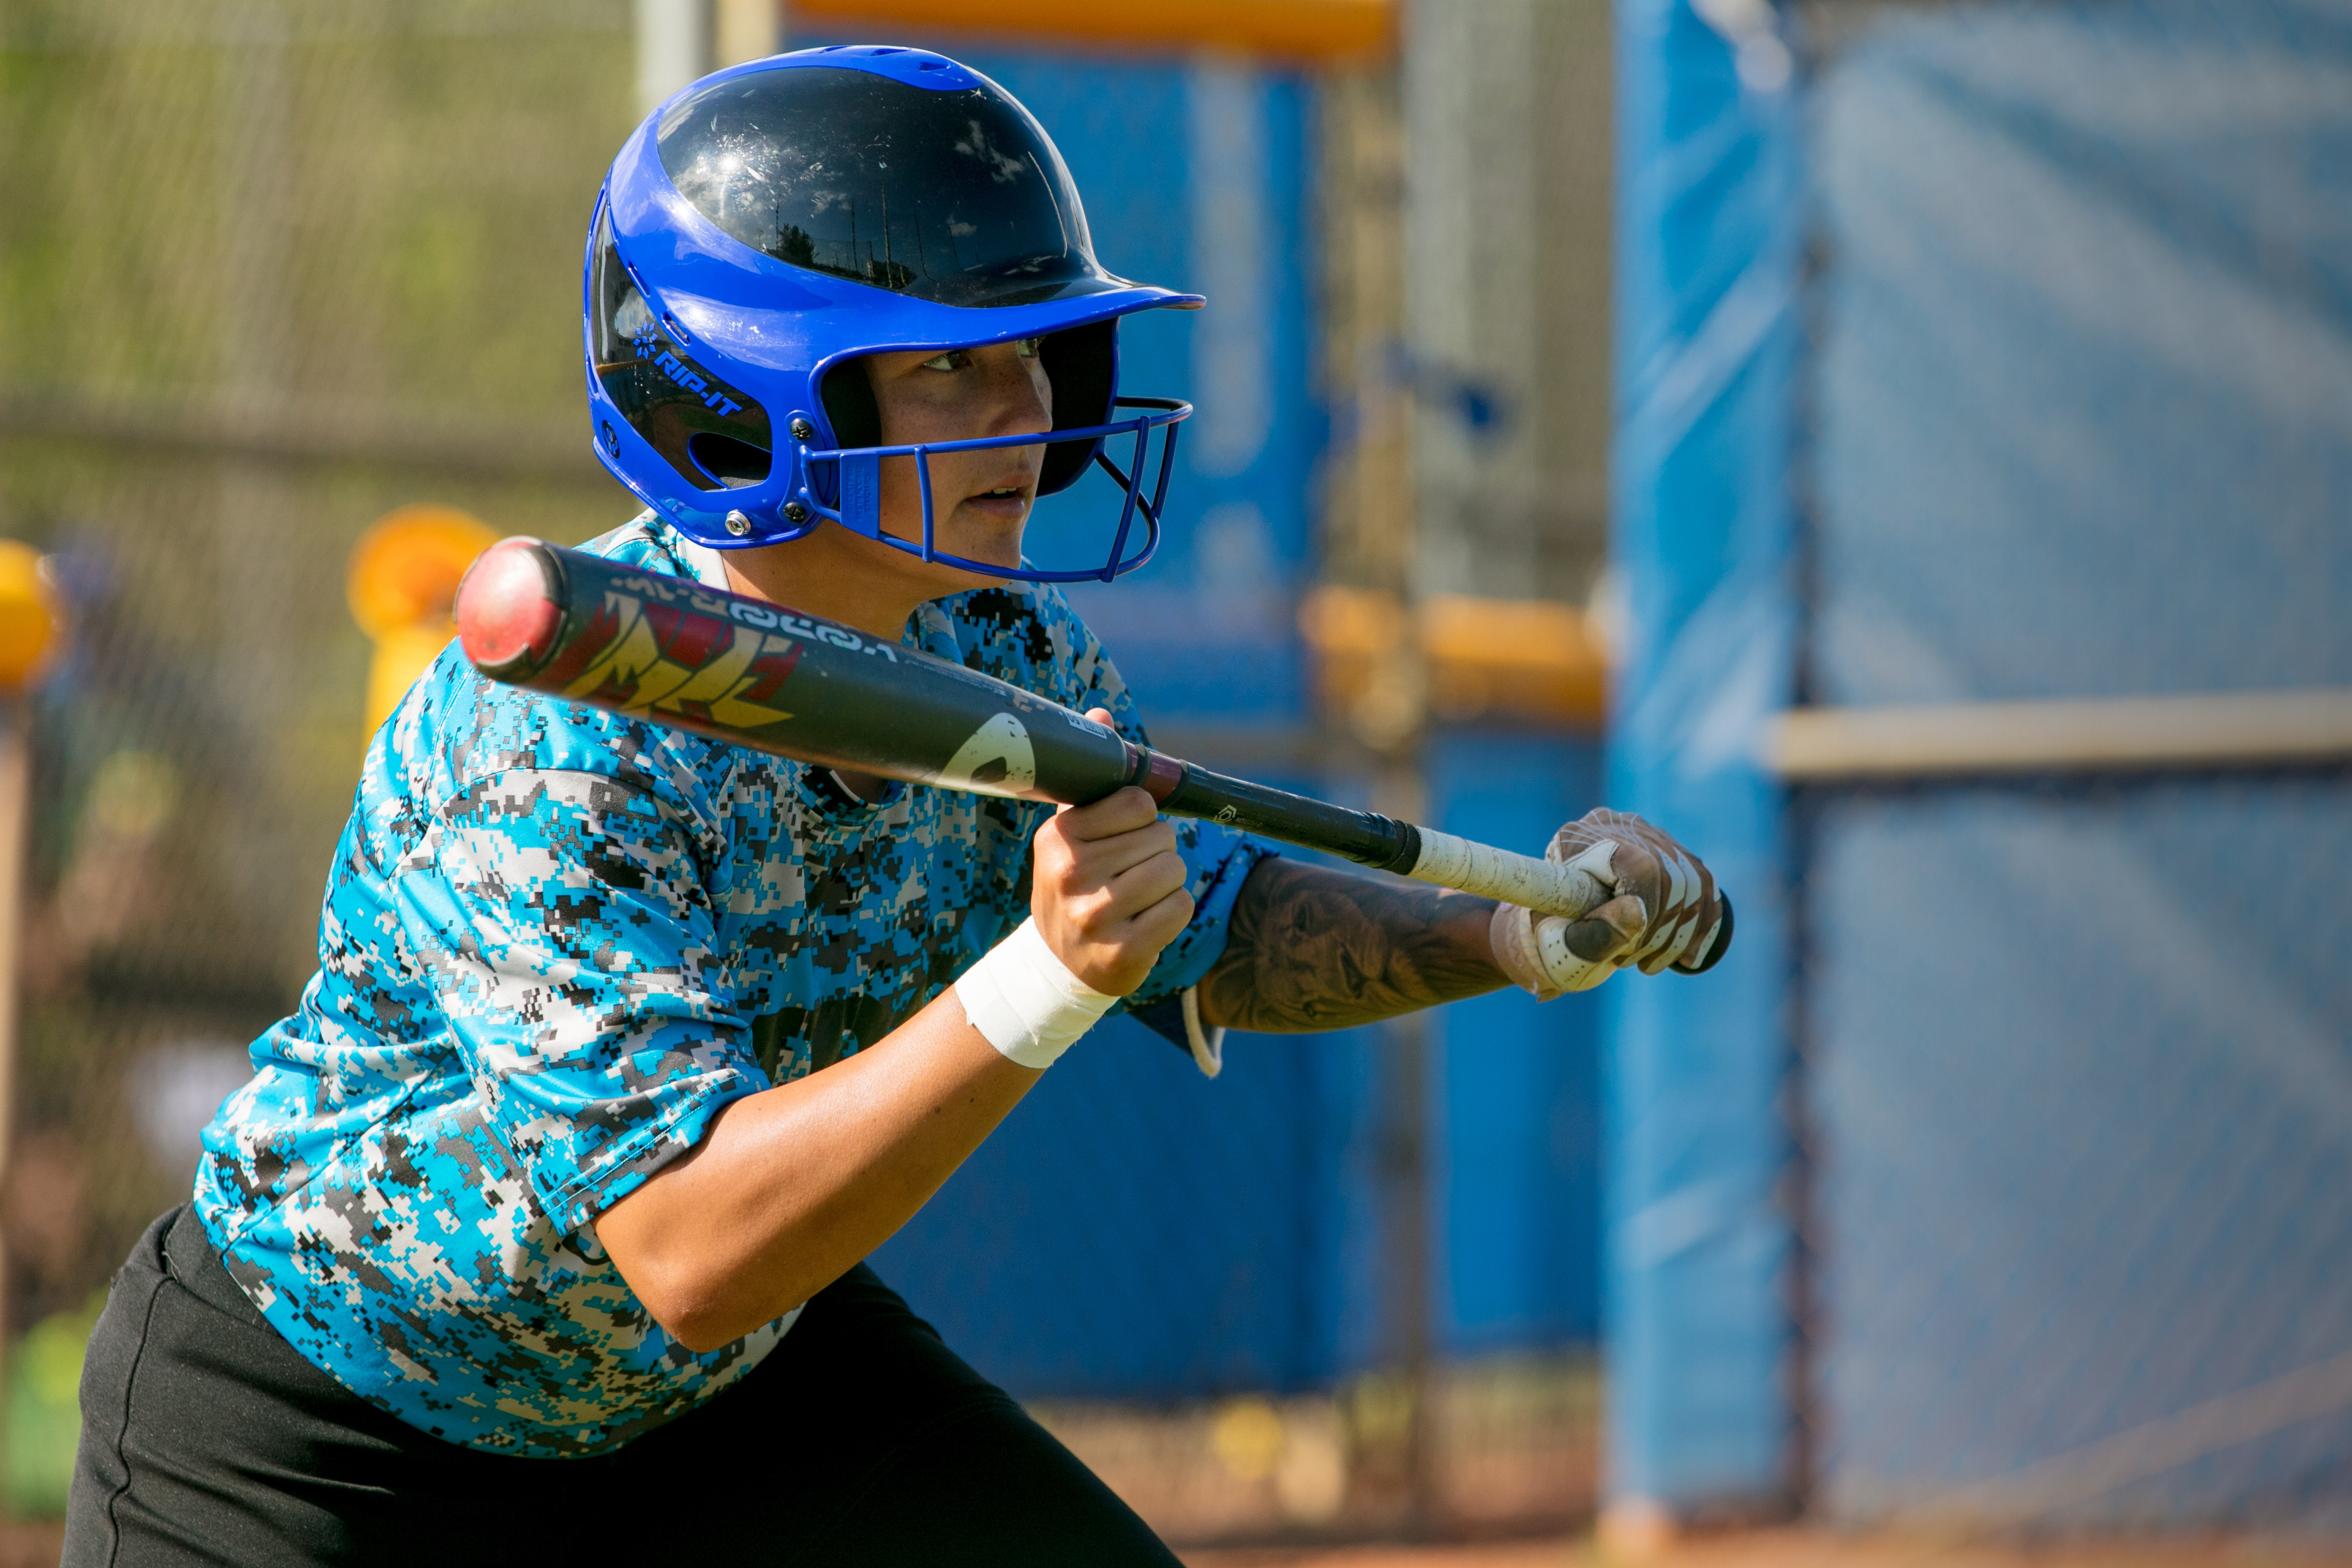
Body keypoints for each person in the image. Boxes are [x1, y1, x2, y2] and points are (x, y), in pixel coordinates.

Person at [64, 47, 1727, 1568]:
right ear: (751, 407)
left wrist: (1504, 931)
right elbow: (687, 1238)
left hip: (711, 1394)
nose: (1030, 419)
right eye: (949, 371)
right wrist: (1041, 981)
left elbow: (1212, 929)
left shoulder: (1013, 650)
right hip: (324, 1437)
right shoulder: (545, 742)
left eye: (1040, 360)